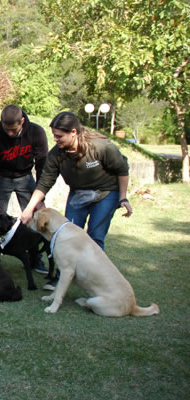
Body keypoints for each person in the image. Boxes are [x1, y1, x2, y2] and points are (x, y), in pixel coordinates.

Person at [19, 111, 133, 289]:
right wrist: (29, 209)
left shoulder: (100, 147)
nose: (56, 139)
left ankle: (94, 281)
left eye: (59, 136)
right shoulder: (57, 154)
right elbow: (44, 182)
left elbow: (122, 170)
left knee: (95, 236)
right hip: (78, 194)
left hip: (105, 193)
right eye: (54, 135)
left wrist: (123, 197)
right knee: (63, 235)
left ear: (73, 132)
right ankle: (61, 277)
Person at [0, 104, 49, 274]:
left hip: (25, 178)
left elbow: (43, 166)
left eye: (14, 130)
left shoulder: (36, 133)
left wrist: (40, 197)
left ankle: (36, 259)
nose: (10, 134)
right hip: (1, 178)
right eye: (7, 129)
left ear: (22, 122)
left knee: (35, 218)